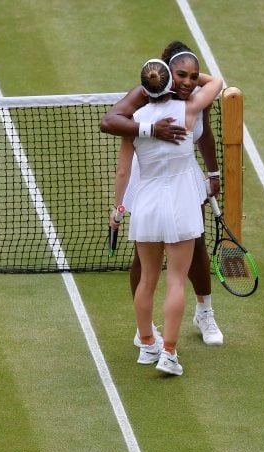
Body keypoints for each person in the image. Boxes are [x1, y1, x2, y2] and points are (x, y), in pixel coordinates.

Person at [100, 41, 224, 346]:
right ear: (167, 73)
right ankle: (145, 328)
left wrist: (213, 172)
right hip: (149, 177)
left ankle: (204, 313)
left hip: (184, 177)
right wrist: (152, 129)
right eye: (180, 74)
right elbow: (109, 121)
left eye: (193, 76)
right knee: (144, 261)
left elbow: (204, 134)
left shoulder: (196, 99)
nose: (188, 82)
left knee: (196, 246)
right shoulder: (145, 93)